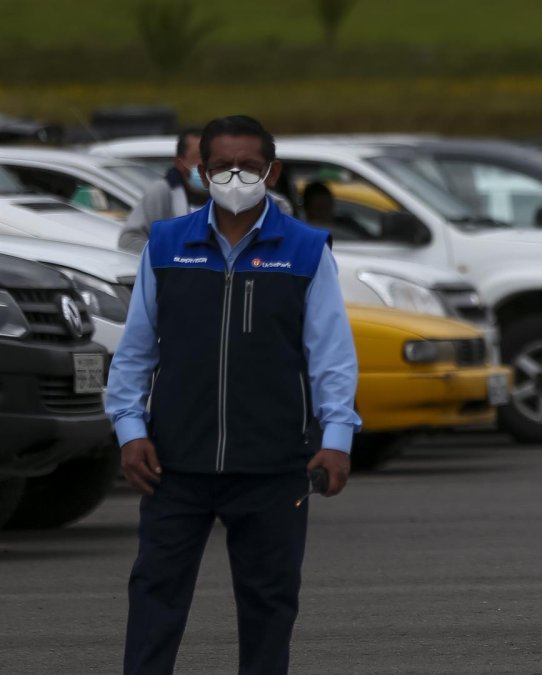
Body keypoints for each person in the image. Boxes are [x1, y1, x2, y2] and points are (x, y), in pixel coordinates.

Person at [105, 114, 362, 674]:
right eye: (222, 166)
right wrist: (129, 430)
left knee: (270, 606)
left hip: (274, 466)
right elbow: (136, 350)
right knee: (154, 599)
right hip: (174, 464)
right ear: (201, 172)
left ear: (273, 172)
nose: (235, 177)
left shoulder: (306, 250)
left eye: (249, 166)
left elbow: (332, 356)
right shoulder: (165, 244)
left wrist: (337, 438)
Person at [118, 129, 208, 253]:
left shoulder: (225, 196)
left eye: (211, 156)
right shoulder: (162, 192)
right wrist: (169, 254)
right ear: (180, 163)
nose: (207, 163)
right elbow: (128, 241)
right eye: (200, 157)